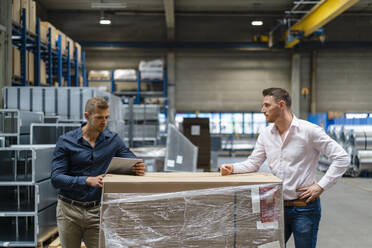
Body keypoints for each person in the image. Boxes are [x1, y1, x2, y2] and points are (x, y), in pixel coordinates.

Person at [220, 88, 349, 248]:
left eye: (267, 105)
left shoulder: (309, 131)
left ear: (281, 105)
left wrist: (320, 186)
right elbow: (253, 163)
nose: (263, 110)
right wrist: (232, 168)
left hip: (304, 208)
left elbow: (342, 157)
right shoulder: (266, 134)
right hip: (275, 207)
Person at [51, 97, 145, 248]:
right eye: (99, 117)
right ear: (87, 116)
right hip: (69, 211)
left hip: (97, 211)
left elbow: (131, 159)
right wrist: (87, 180)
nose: (104, 122)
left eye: (107, 117)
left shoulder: (113, 140)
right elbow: (56, 178)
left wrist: (137, 166)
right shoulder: (66, 141)